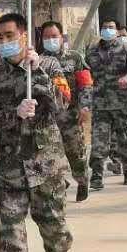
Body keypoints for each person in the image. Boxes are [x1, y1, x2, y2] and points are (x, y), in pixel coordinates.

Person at [0, 13, 75, 252]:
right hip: (10, 166)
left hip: (45, 163)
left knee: (53, 223)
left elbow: (63, 103)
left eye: (10, 35)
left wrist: (40, 74)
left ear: (24, 36)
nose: (5, 42)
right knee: (11, 229)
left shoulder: (49, 66)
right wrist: (14, 113)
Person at [38, 19, 93, 203]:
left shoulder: (74, 58)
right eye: (46, 37)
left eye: (54, 36)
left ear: (61, 37)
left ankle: (82, 180)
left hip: (70, 116)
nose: (50, 40)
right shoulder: (38, 61)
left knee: (75, 153)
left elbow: (85, 84)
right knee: (48, 156)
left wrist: (84, 106)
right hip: (47, 118)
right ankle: (60, 182)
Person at [86, 18, 127, 190]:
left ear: (116, 31)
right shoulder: (92, 51)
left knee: (125, 140)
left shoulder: (126, 48)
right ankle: (96, 175)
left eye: (111, 27)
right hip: (100, 104)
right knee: (98, 141)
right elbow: (86, 74)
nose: (107, 30)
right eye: (104, 27)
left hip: (122, 104)